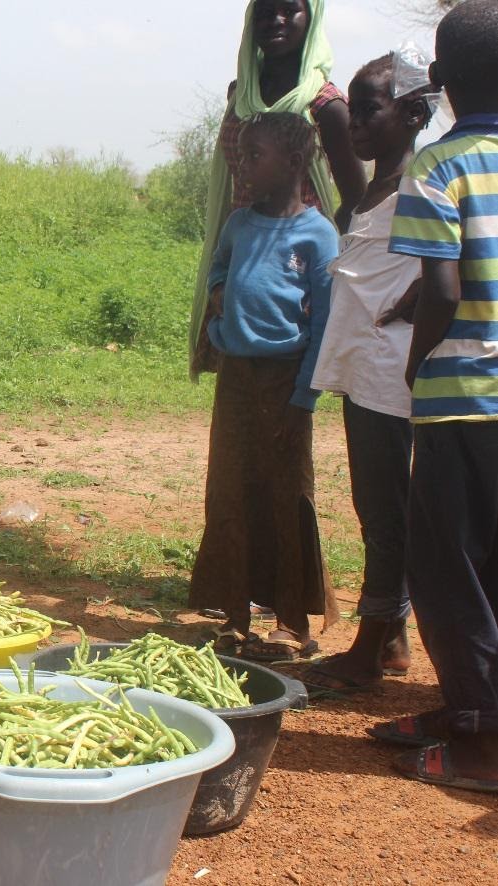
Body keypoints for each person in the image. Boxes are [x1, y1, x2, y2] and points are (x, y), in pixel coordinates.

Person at [372, 0, 498, 793]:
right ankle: (466, 712)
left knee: (447, 568)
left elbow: (441, 292)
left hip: (459, 401)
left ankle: (481, 744)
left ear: (440, 83)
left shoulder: (436, 167)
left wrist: (418, 368)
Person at [303, 52, 435, 693]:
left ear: (413, 114)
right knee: (377, 507)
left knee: (384, 514)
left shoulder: (422, 186)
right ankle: (395, 637)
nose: (354, 122)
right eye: (351, 110)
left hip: (391, 376)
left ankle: (369, 646)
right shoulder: (375, 190)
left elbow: (454, 262)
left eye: (368, 109)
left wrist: (416, 302)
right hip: (364, 370)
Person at [188, 112, 339, 662]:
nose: (244, 166)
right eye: (242, 155)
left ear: (296, 164)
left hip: (286, 382)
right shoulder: (239, 224)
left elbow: (325, 323)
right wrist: (219, 306)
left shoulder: (318, 235)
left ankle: (291, 621)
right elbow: (218, 270)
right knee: (230, 489)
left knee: (285, 496)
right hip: (237, 380)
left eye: (256, 156)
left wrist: (304, 398)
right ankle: (232, 616)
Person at [189, 0, 365, 382]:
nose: (276, 20)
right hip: (240, 261)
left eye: (290, 10)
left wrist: (315, 264)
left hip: (293, 274)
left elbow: (356, 200)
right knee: (239, 388)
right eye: (265, 11)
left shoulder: (326, 106)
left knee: (286, 389)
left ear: (312, 19)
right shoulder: (241, 95)